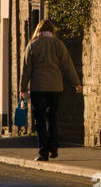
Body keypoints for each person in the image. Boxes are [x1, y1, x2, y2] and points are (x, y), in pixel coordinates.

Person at [18, 19, 82, 161]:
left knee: (40, 120)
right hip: (55, 87)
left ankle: (43, 152)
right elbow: (67, 65)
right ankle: (54, 147)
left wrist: (22, 88)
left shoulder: (32, 45)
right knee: (52, 117)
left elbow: (26, 69)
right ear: (52, 30)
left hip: (38, 87)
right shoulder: (59, 45)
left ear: (38, 30)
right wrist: (76, 83)